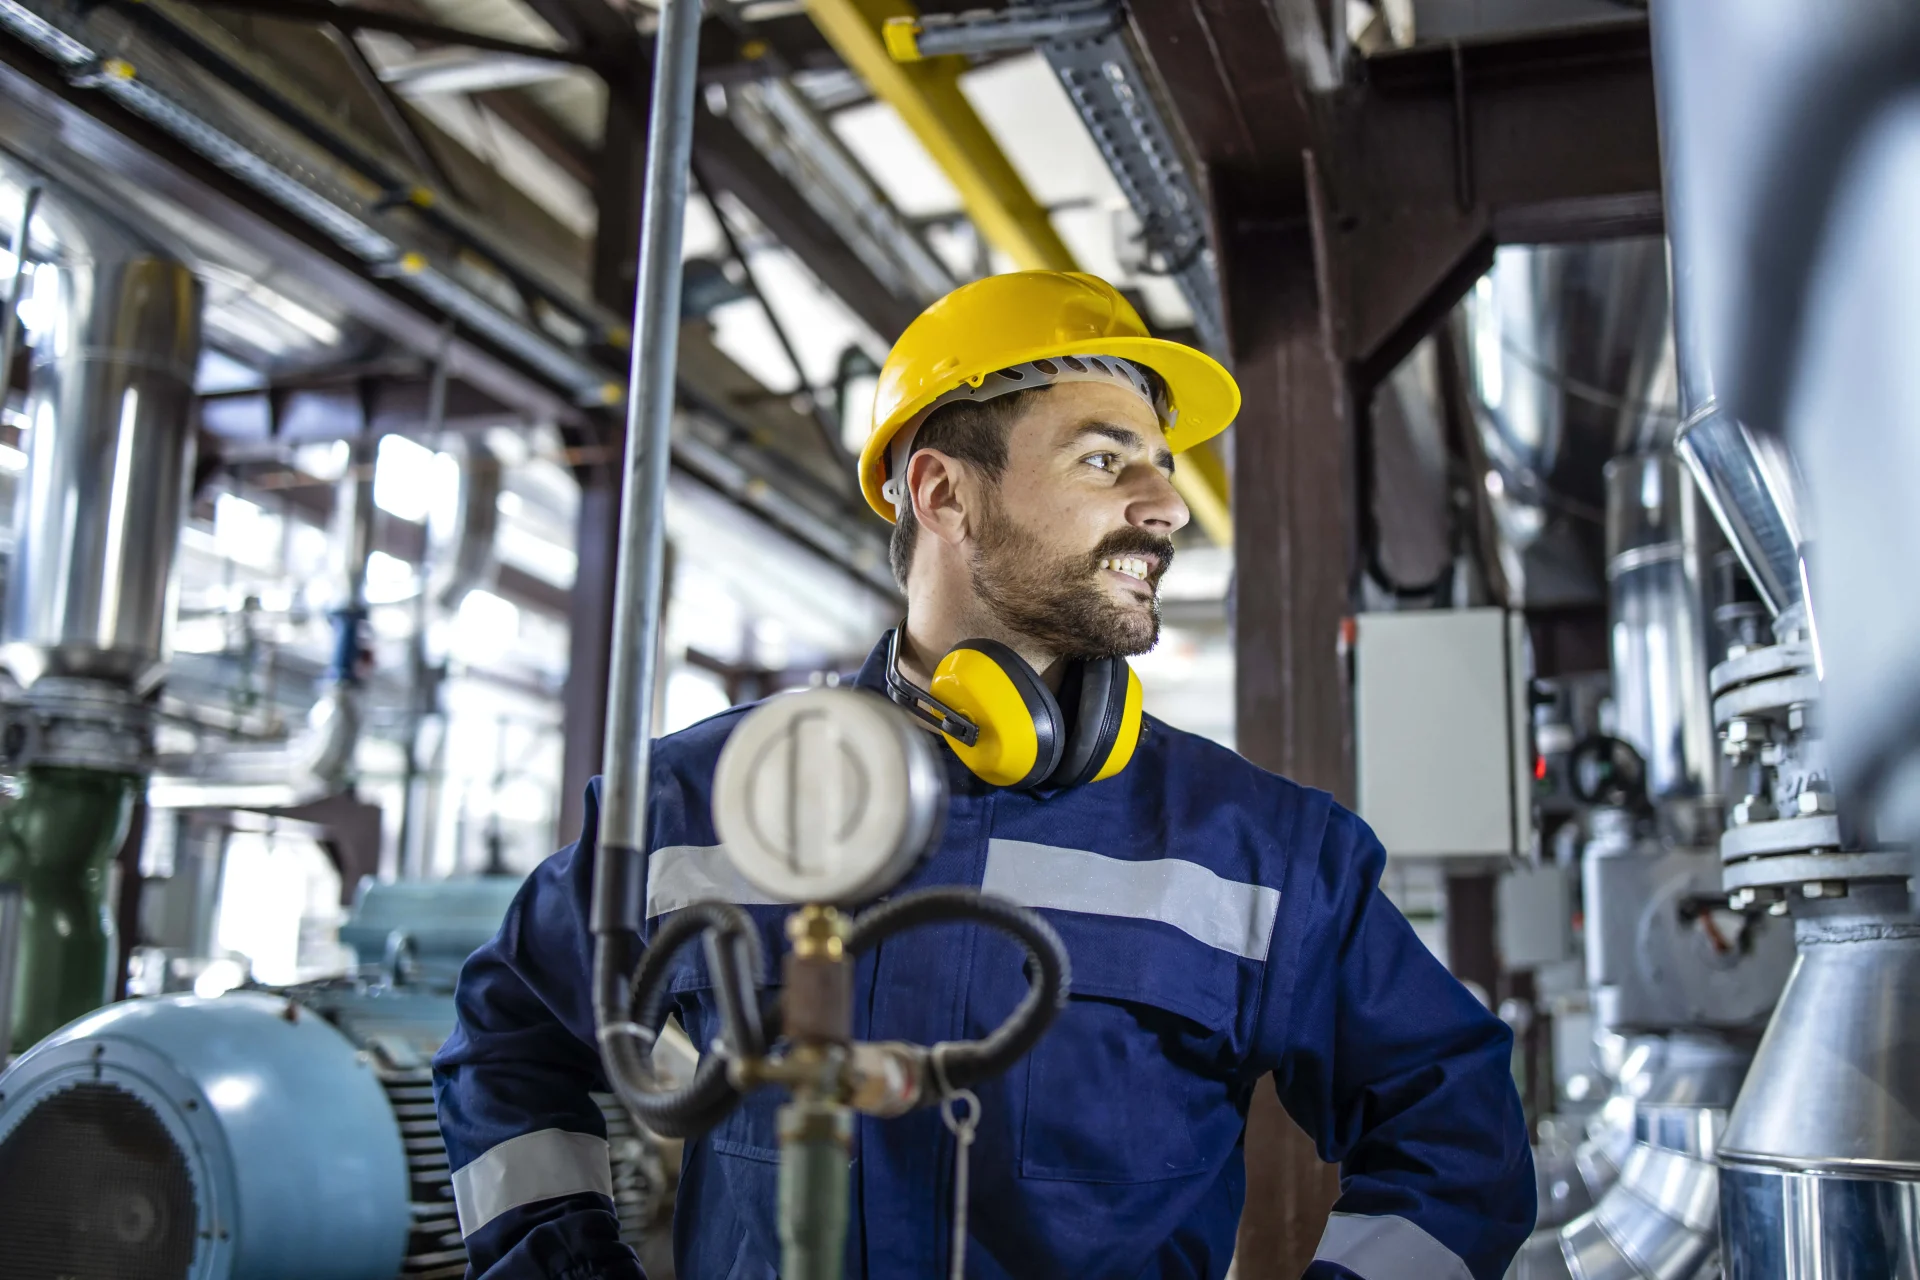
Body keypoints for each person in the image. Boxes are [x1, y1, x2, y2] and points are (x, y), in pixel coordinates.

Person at [434, 270, 1534, 1279]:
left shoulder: (1261, 848)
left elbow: (1459, 1135)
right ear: (944, 492)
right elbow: (510, 1035)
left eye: (1162, 462)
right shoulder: (706, 795)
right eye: (1107, 459)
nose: (1165, 504)